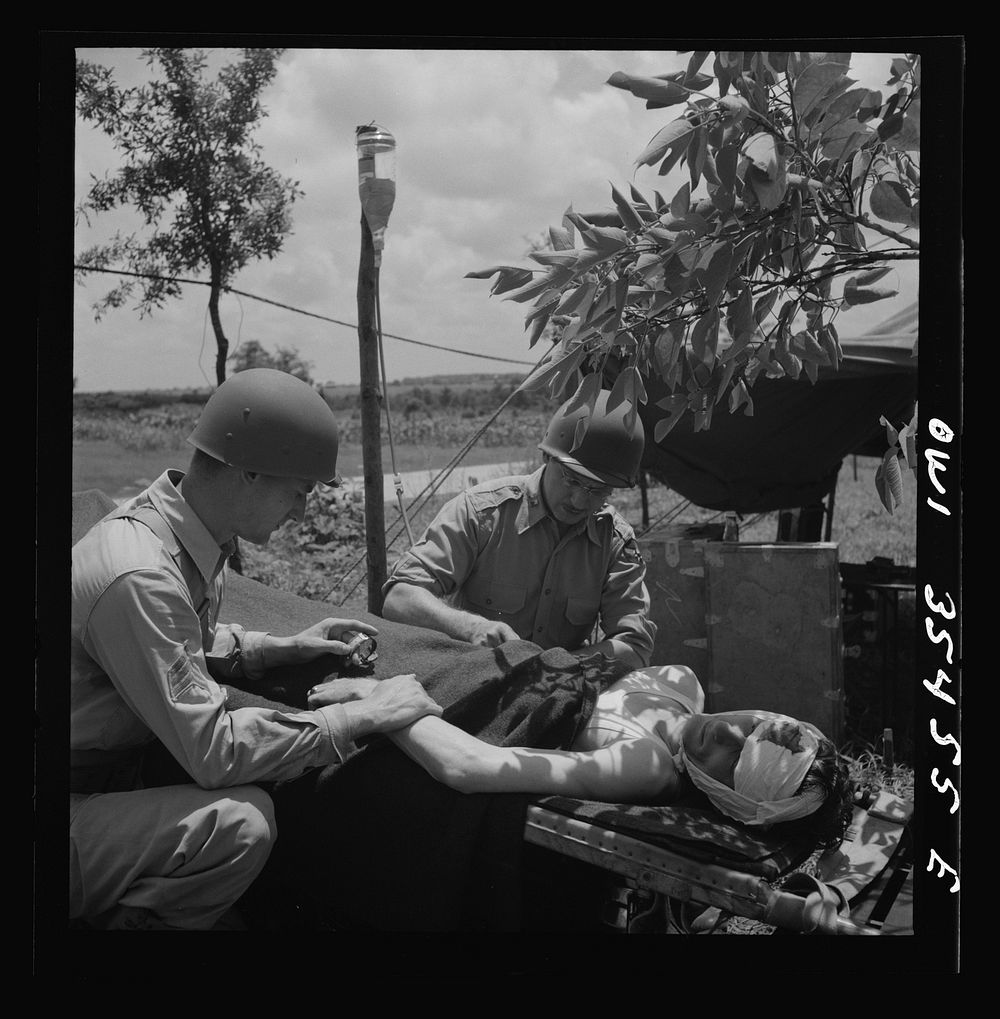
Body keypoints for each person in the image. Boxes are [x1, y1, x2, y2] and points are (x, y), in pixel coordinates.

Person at [70, 368, 442, 931]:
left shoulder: (181, 538)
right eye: (298, 492)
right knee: (243, 825)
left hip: (102, 778)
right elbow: (214, 753)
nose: (300, 512)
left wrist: (277, 647)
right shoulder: (141, 574)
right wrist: (365, 714)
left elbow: (174, 642)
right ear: (247, 473)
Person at [307, 663, 853, 851]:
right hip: (484, 668)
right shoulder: (680, 685)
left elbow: (468, 767)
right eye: (756, 727)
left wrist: (376, 703)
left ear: (731, 802)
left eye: (735, 763)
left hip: (438, 700)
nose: (726, 733)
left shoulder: (647, 765)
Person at [380, 390, 657, 671]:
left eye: (598, 491)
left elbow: (634, 646)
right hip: (474, 677)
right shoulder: (482, 512)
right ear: (547, 458)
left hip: (563, 683)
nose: (579, 501)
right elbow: (399, 598)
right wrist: (471, 627)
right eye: (571, 480)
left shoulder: (614, 541)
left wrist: (554, 666)